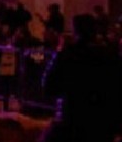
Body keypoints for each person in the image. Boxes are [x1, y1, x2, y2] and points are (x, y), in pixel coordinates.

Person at [41, 14, 122, 142]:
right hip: (101, 125)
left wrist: (59, 51)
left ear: (75, 32)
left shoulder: (68, 55)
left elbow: (49, 86)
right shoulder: (109, 56)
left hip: (72, 122)